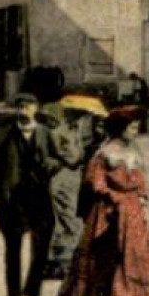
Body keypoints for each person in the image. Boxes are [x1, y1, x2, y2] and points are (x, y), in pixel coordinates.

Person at [59, 106, 149, 296]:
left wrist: (142, 199)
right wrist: (115, 197)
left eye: (136, 128)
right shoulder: (105, 153)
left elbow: (141, 180)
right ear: (120, 128)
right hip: (110, 208)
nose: (135, 132)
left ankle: (138, 290)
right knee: (110, 249)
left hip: (133, 208)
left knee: (137, 246)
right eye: (131, 128)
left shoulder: (134, 152)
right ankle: (110, 292)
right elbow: (95, 183)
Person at [0, 94, 58, 296]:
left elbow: (56, 159)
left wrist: (49, 165)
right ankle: (13, 295)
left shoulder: (45, 133)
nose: (24, 110)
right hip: (13, 199)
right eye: (20, 107)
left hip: (39, 196)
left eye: (28, 107)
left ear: (36, 108)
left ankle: (33, 289)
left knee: (43, 242)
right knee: (13, 247)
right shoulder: (7, 134)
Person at [42, 101, 87, 280]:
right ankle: (65, 263)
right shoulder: (60, 132)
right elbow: (73, 157)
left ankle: (57, 262)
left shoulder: (70, 130)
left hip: (68, 179)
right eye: (77, 114)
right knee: (69, 218)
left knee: (63, 219)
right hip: (63, 179)